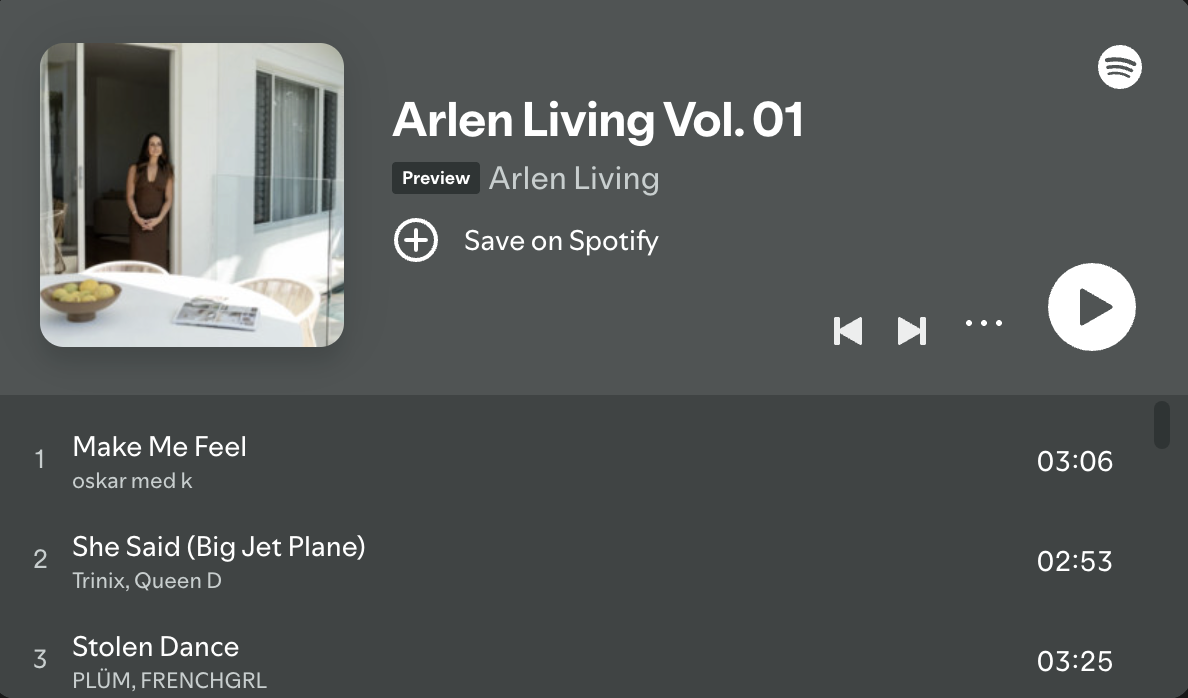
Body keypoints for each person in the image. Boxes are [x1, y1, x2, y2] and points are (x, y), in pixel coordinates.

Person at [125, 133, 174, 269]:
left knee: (157, 265)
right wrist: (137, 217)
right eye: (152, 144)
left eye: (159, 144)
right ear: (146, 148)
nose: (155, 147)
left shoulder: (168, 170)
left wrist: (158, 219)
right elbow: (129, 196)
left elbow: (169, 199)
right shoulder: (134, 169)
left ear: (163, 148)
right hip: (138, 223)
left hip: (159, 225)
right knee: (137, 264)